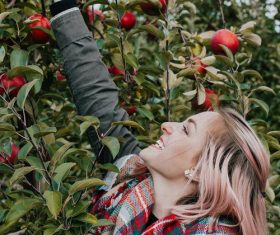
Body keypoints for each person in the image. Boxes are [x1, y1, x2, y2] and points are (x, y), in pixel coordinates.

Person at [49, 1, 270, 234]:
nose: (166, 125)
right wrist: (64, 7)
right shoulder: (127, 177)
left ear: (200, 171)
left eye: (186, 130)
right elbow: (96, 97)